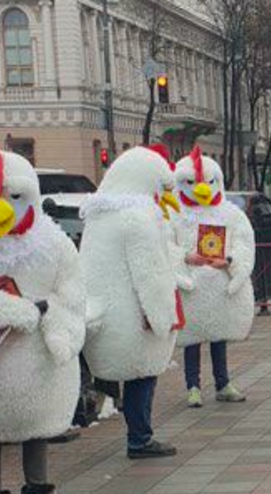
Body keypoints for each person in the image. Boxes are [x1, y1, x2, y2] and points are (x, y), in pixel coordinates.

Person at [0, 140, 84, 494]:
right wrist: (19, 312)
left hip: (36, 360)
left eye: (14, 197)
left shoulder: (52, 244)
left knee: (38, 426)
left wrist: (61, 327)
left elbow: (72, 290)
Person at [80, 146, 181, 460]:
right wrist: (163, 317)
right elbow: (150, 274)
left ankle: (133, 429)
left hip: (104, 313)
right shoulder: (138, 219)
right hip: (134, 317)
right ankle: (140, 437)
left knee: (128, 376)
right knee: (143, 373)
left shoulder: (100, 216)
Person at [172, 146, 255, 408]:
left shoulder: (230, 214)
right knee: (192, 339)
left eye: (208, 183)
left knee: (219, 335)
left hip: (219, 284)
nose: (202, 189)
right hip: (192, 286)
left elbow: (244, 244)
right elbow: (163, 246)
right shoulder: (175, 214)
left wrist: (229, 261)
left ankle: (222, 382)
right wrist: (185, 257)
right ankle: (193, 386)